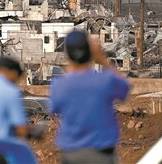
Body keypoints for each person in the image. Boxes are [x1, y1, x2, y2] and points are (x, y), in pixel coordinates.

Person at [50, 30, 130, 164]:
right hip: (101, 152)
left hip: (71, 153)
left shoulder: (60, 85)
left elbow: (54, 108)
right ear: (89, 52)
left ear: (68, 54)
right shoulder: (105, 81)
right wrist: (102, 60)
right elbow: (124, 89)